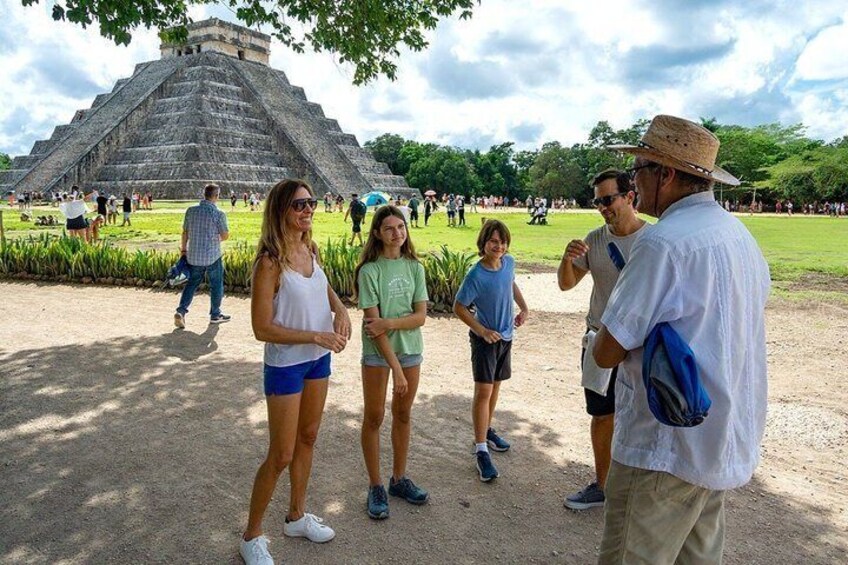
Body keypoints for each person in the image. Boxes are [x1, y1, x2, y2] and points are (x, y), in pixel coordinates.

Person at [593, 115, 770, 563]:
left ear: (666, 175)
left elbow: (607, 351)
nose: (634, 183)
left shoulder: (662, 243)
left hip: (663, 446)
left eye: (639, 170)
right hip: (717, 437)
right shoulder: (739, 236)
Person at [239, 179, 351, 565]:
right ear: (281, 210)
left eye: (311, 203)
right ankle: (252, 535)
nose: (308, 210)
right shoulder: (269, 262)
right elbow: (261, 328)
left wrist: (340, 308)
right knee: (281, 453)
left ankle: (297, 516)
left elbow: (322, 287)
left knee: (308, 437)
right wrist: (315, 335)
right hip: (287, 363)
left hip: (318, 359)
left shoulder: (310, 248)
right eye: (299, 205)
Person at [557, 169, 648, 510]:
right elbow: (567, 284)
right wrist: (567, 259)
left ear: (629, 196)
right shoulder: (594, 240)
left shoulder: (652, 240)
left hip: (640, 344)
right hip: (599, 338)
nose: (602, 208)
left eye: (608, 199)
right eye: (597, 201)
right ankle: (602, 484)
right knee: (601, 414)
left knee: (641, 417)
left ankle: (636, 488)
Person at [355, 205, 429, 519]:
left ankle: (399, 479)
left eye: (401, 227)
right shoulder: (369, 271)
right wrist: (395, 368)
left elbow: (421, 316)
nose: (397, 233)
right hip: (378, 353)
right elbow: (374, 328)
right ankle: (375, 486)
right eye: (389, 228)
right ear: (377, 233)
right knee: (374, 417)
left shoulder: (415, 268)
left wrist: (390, 323)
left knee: (403, 413)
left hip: (410, 349)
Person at [453, 219, 528, 482]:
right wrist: (482, 330)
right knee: (483, 392)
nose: (499, 246)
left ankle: (486, 430)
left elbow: (511, 284)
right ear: (483, 243)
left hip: (505, 337)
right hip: (485, 341)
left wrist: (524, 307)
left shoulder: (509, 263)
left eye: (503, 242)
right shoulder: (476, 275)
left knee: (495, 387)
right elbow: (459, 307)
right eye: (494, 241)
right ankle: (481, 449)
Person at [174, 183, 231, 328]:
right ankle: (215, 314)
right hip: (212, 255)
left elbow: (185, 232)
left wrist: (183, 250)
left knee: (191, 284)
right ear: (216, 196)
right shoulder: (218, 213)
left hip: (194, 256)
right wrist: (216, 239)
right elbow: (225, 235)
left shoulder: (191, 211)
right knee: (216, 285)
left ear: (204, 195)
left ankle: (181, 311)